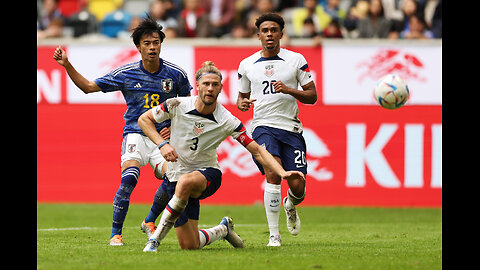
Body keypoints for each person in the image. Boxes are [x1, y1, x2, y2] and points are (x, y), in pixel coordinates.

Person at [52, 15, 192, 246]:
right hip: (136, 133)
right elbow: (88, 87)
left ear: (161, 44)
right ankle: (115, 234)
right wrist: (67, 64)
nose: (152, 47)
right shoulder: (126, 73)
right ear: (138, 47)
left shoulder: (176, 75)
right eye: (146, 43)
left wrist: (173, 128)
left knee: (174, 178)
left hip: (162, 139)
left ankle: (149, 221)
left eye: (156, 42)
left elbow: (187, 107)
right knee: (129, 179)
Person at [139, 61, 306, 251]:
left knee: (184, 181)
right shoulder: (176, 104)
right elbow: (144, 119)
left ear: (221, 88)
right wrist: (162, 145)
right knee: (189, 245)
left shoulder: (227, 120)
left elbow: (257, 150)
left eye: (215, 85)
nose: (210, 89)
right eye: (206, 84)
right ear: (198, 86)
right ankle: (222, 230)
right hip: (178, 177)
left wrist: (282, 173)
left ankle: (154, 241)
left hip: (207, 175)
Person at [236, 12, 317, 247]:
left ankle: (290, 204)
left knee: (298, 186)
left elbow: (312, 96)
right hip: (263, 126)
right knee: (272, 173)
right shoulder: (247, 65)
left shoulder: (296, 60)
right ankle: (274, 235)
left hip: (291, 129)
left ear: (282, 33)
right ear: (258, 34)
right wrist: (241, 104)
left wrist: (290, 90)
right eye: (265, 30)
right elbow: (242, 99)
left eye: (274, 30)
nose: (269, 34)